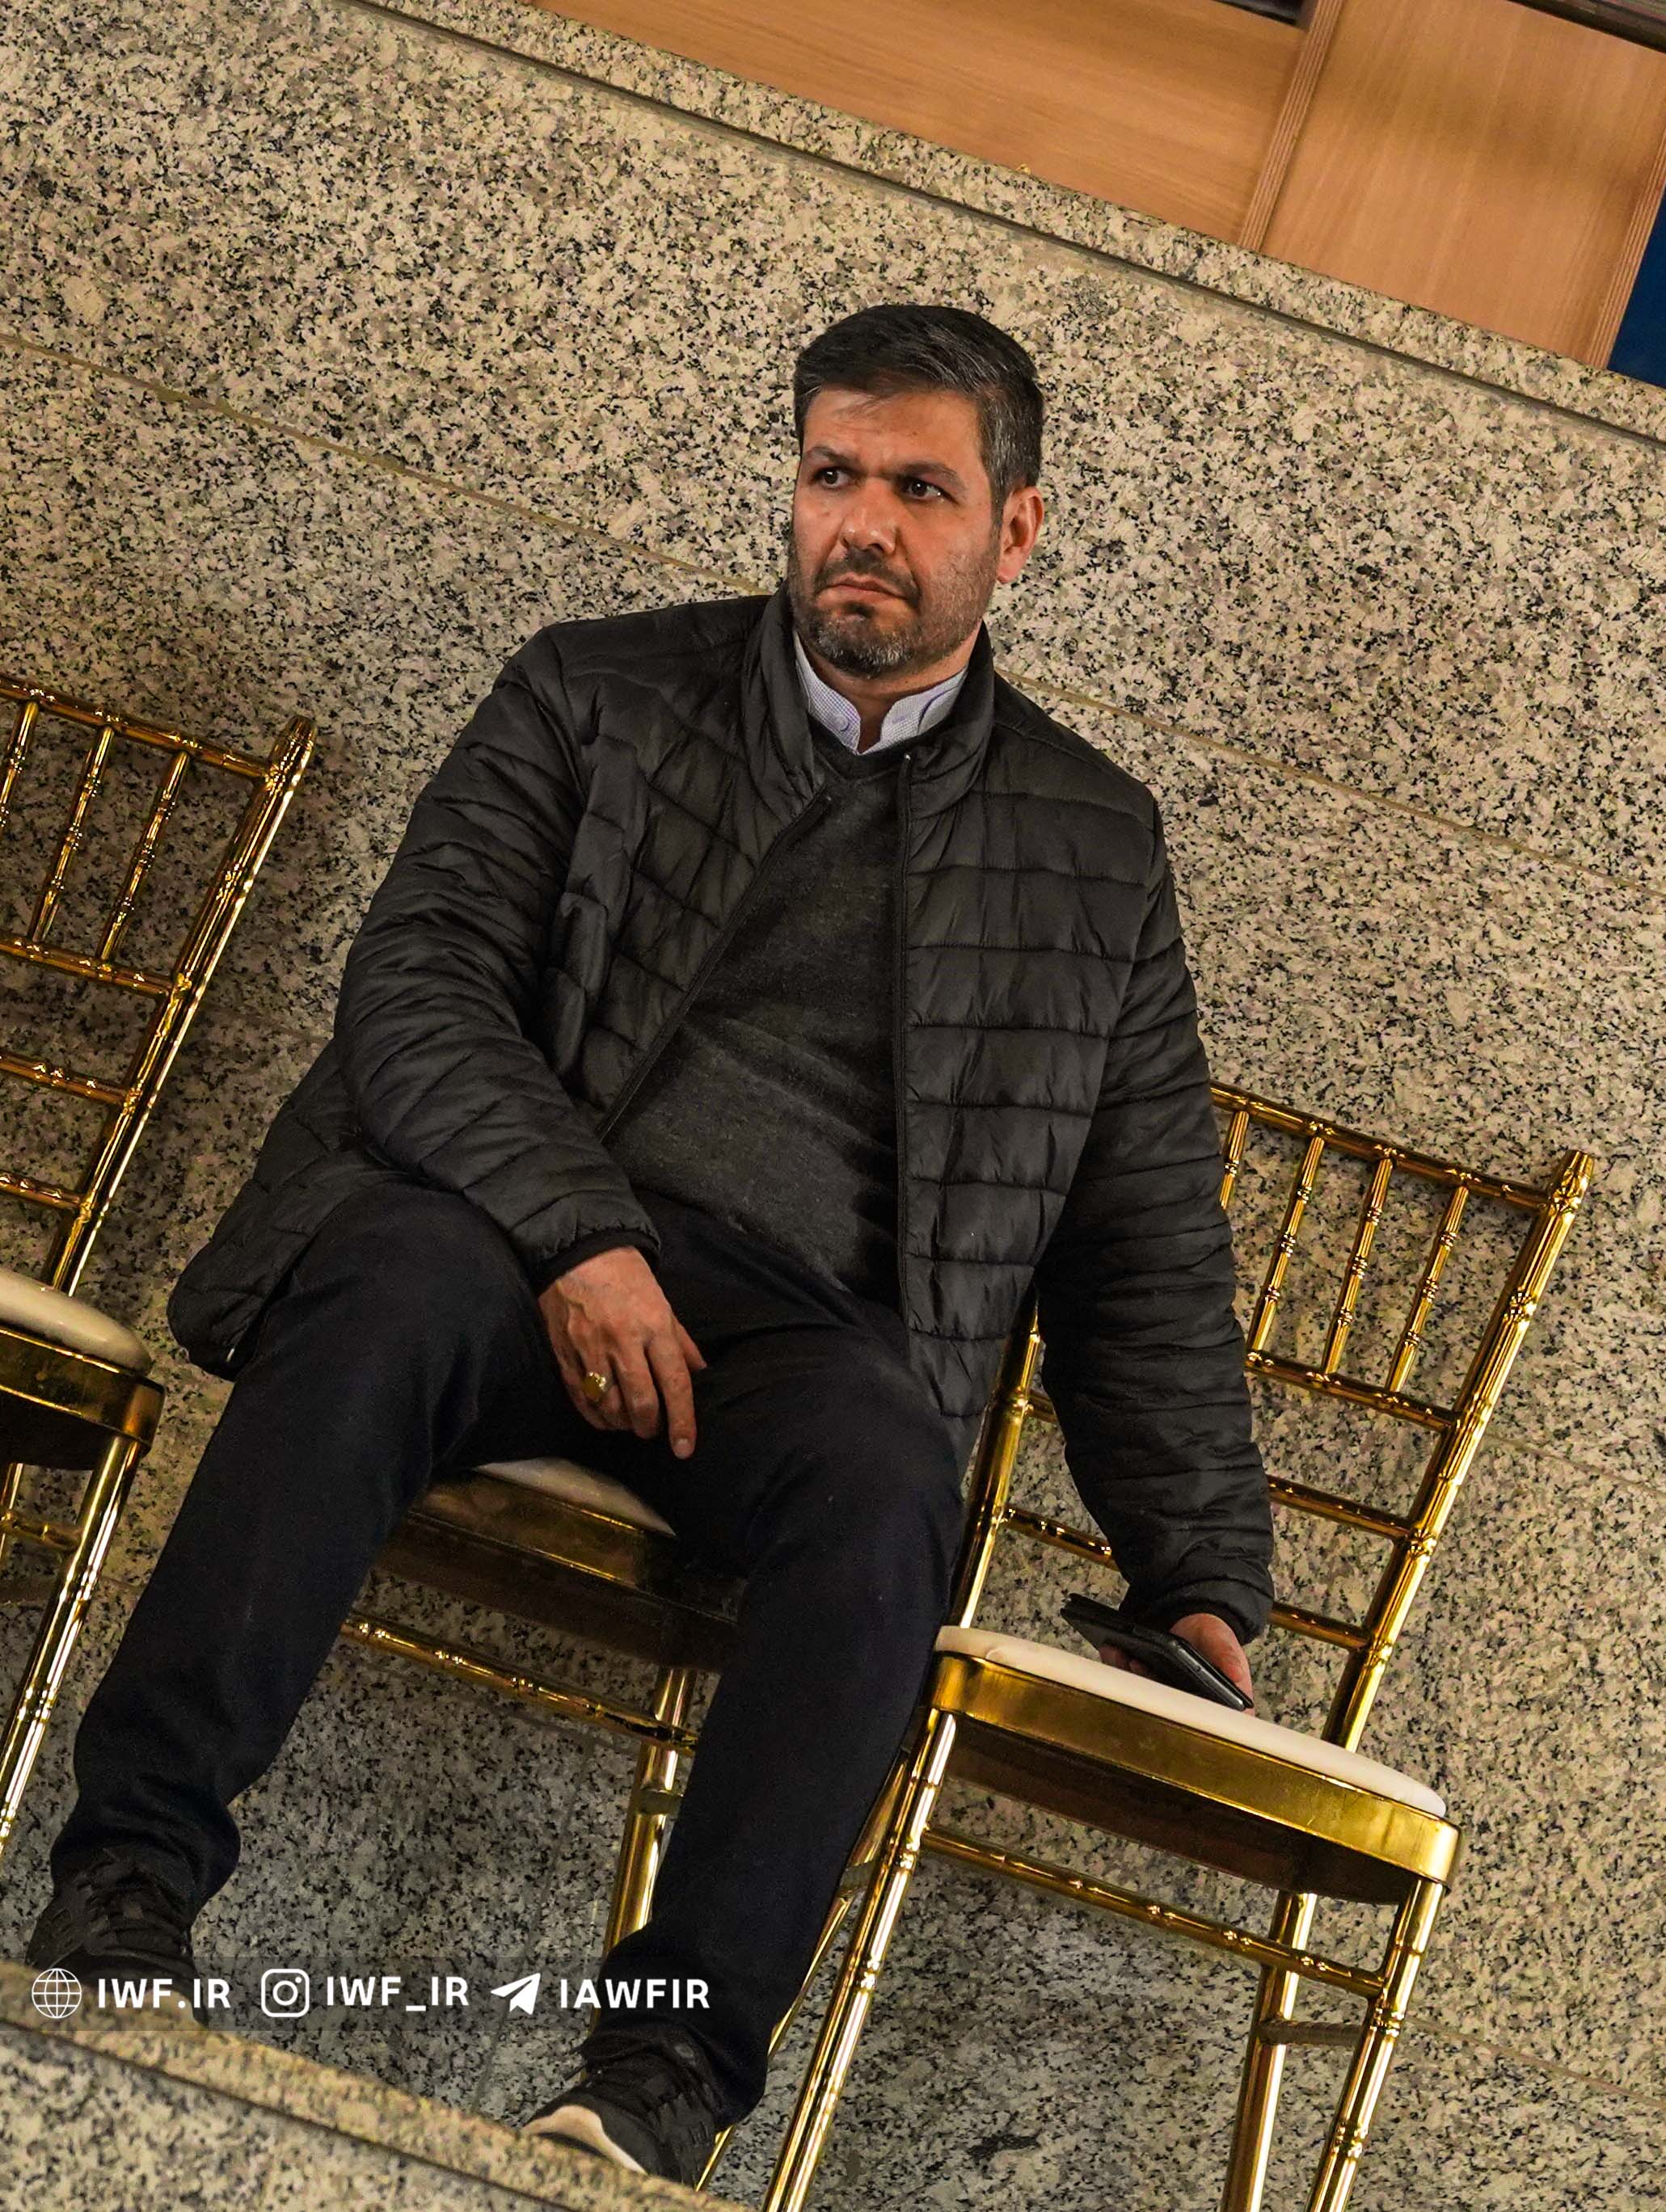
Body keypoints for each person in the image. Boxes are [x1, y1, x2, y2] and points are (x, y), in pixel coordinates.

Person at [20, 304, 1273, 2182]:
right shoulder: (595, 691)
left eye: (918, 489)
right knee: (376, 1290)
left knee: (890, 1490)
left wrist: (1201, 1573)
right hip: (513, 1236)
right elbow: (420, 989)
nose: (861, 523)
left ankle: (661, 2078)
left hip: (800, 1342)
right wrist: (577, 1233)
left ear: (1016, 530)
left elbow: (1143, 1229)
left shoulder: (1092, 847)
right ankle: (121, 1897)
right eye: (831, 473)